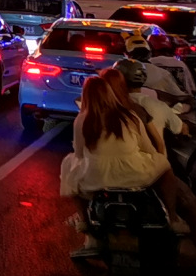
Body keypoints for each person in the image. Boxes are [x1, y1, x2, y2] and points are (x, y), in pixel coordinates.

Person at [60, 69, 187, 257]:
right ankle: (173, 218)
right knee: (165, 167)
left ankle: (86, 224)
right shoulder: (129, 116)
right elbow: (148, 149)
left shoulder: (82, 120)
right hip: (134, 173)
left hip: (97, 177)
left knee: (69, 169)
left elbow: (79, 153)